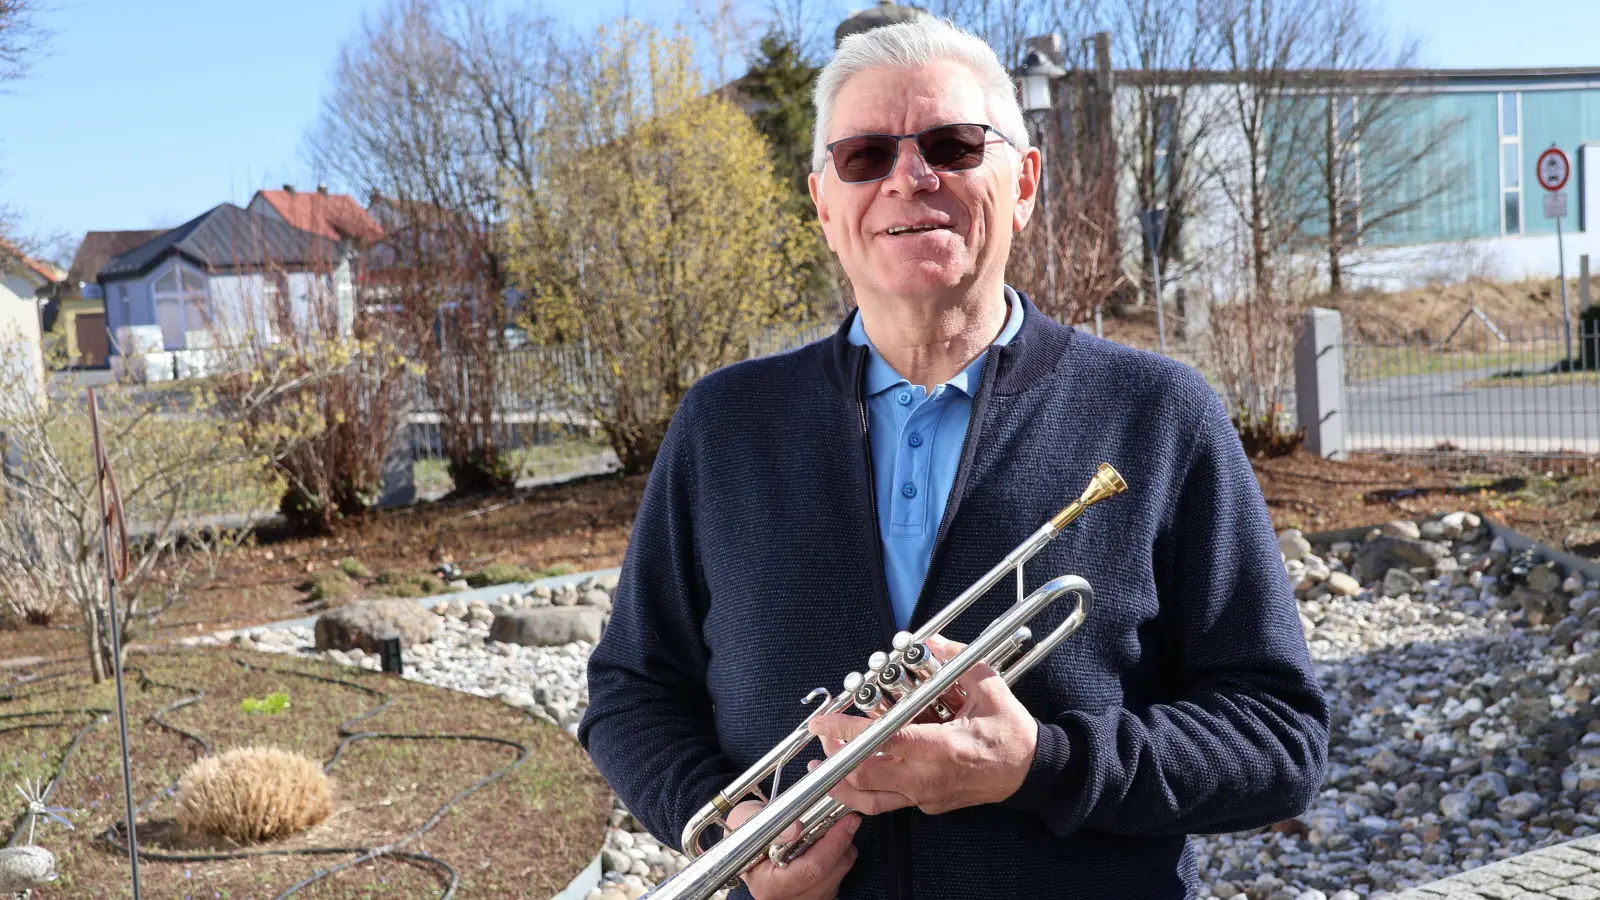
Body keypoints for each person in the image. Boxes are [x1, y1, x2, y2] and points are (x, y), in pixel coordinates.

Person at [579, 17, 1329, 900]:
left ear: (1024, 183)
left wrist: (1042, 764)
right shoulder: (724, 424)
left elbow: (1281, 738)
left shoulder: (1160, 414)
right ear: (824, 204)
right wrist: (732, 831)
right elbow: (631, 691)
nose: (910, 177)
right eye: (863, 156)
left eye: (953, 144)